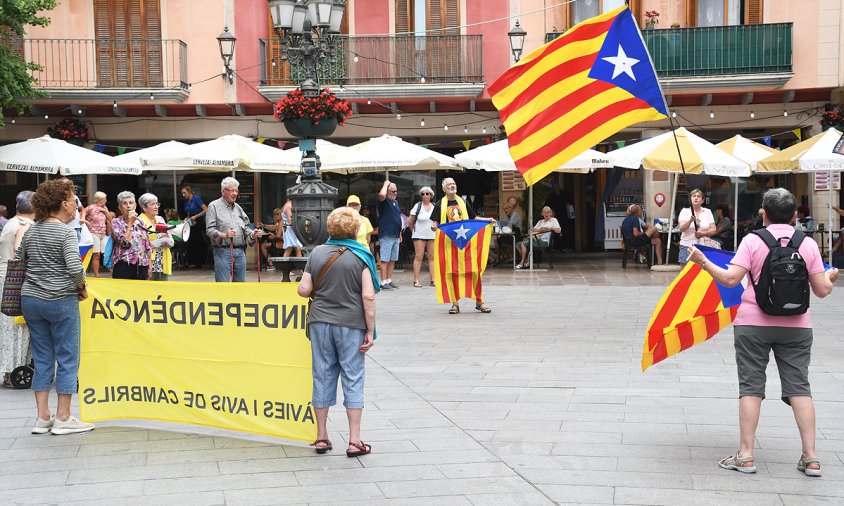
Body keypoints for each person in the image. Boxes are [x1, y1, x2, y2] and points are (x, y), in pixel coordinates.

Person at [687, 188, 838, 477]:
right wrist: (830, 278)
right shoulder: (807, 244)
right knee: (799, 388)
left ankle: (745, 456)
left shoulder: (752, 241)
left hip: (752, 325)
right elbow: (821, 291)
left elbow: (731, 280)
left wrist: (703, 262)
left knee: (751, 388)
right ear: (795, 215)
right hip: (797, 327)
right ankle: (811, 458)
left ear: (764, 214)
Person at [296, 206, 379, 457]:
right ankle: (354, 441)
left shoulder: (318, 253)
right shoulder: (362, 256)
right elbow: (368, 296)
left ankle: (321, 437)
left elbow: (302, 290)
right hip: (351, 324)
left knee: (322, 375)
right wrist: (370, 331)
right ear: (355, 229)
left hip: (320, 323)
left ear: (329, 227)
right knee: (353, 378)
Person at [19, 179, 94, 435]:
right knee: (67, 356)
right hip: (60, 300)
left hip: (31, 300)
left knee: (41, 357)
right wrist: (82, 288)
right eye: (74, 200)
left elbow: (20, 260)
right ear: (63, 204)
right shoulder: (64, 232)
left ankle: (42, 418)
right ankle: (63, 417)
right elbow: (75, 267)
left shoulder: (32, 229)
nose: (76, 205)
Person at [431, 177, 494, 313]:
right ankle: (455, 304)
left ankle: (479, 301)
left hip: (466, 244)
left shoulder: (463, 202)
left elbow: (474, 218)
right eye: (449, 184)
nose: (452, 186)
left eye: (453, 183)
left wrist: (487, 220)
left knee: (474, 272)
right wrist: (434, 226)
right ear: (443, 188)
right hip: (449, 245)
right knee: (451, 273)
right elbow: (435, 222)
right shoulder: (439, 204)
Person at [0, 191, 34, 388]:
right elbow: (18, 250)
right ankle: (15, 369)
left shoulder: (11, 222)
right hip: (15, 279)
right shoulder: (25, 225)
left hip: (5, 278)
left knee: (8, 326)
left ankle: (9, 371)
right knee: (18, 325)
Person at [206, 177, 263, 282]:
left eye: (236, 190)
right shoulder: (213, 206)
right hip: (223, 251)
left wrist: (253, 234)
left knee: (240, 285)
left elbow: (246, 227)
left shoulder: (238, 208)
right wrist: (224, 235)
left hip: (240, 252)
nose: (235, 193)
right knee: (223, 285)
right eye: (232, 190)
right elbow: (209, 230)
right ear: (223, 191)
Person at [111, 191, 152, 280]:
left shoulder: (141, 222)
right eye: (124, 203)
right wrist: (130, 223)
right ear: (120, 208)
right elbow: (125, 243)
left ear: (135, 205)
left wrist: (150, 266)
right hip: (124, 264)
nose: (128, 206)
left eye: (131, 203)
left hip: (142, 264)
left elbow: (147, 245)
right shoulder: (116, 222)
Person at [138, 193, 174, 281]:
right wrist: (159, 241)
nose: (156, 206)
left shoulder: (160, 219)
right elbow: (140, 245)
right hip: (149, 262)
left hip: (162, 261)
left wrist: (168, 241)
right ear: (144, 207)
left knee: (163, 290)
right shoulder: (139, 221)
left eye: (157, 204)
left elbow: (171, 240)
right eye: (152, 204)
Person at [407, 186, 436, 287]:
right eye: (423, 194)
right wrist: (414, 231)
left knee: (432, 257)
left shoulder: (434, 206)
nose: (425, 195)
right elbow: (410, 221)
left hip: (432, 235)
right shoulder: (417, 205)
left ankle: (433, 280)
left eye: (427, 193)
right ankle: (416, 280)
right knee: (419, 257)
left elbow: (437, 220)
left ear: (431, 195)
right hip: (419, 235)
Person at [376, 180, 402, 290]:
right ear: (388, 191)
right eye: (393, 191)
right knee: (385, 259)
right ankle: (382, 282)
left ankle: (388, 280)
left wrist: (400, 232)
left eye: (396, 191)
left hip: (395, 234)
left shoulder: (395, 202)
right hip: (386, 234)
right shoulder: (384, 201)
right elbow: (381, 194)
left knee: (392, 259)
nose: (395, 193)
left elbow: (396, 218)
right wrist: (385, 184)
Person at [677, 188, 715, 263]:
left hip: (703, 246)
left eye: (698, 196)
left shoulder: (707, 211)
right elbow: (682, 228)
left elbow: (713, 230)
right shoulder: (685, 211)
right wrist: (690, 221)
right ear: (690, 199)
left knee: (702, 271)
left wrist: (703, 233)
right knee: (685, 272)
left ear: (702, 200)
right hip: (687, 246)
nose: (696, 198)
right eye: (694, 196)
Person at [80, 191, 112, 277]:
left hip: (103, 233)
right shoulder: (91, 207)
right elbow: (82, 213)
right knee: (96, 254)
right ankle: (97, 274)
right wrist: (85, 220)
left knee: (107, 252)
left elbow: (110, 219)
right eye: (104, 199)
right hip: (94, 233)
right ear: (100, 200)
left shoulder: (105, 208)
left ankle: (112, 271)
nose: (106, 201)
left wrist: (105, 211)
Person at [181, 185, 208, 268]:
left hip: (198, 222)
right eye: (182, 193)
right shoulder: (187, 201)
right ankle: (192, 261)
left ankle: (200, 262)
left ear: (189, 192)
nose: (183, 195)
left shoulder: (196, 199)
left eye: (185, 193)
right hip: (191, 222)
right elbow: (189, 213)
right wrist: (187, 218)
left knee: (198, 241)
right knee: (191, 241)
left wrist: (196, 216)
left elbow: (205, 209)